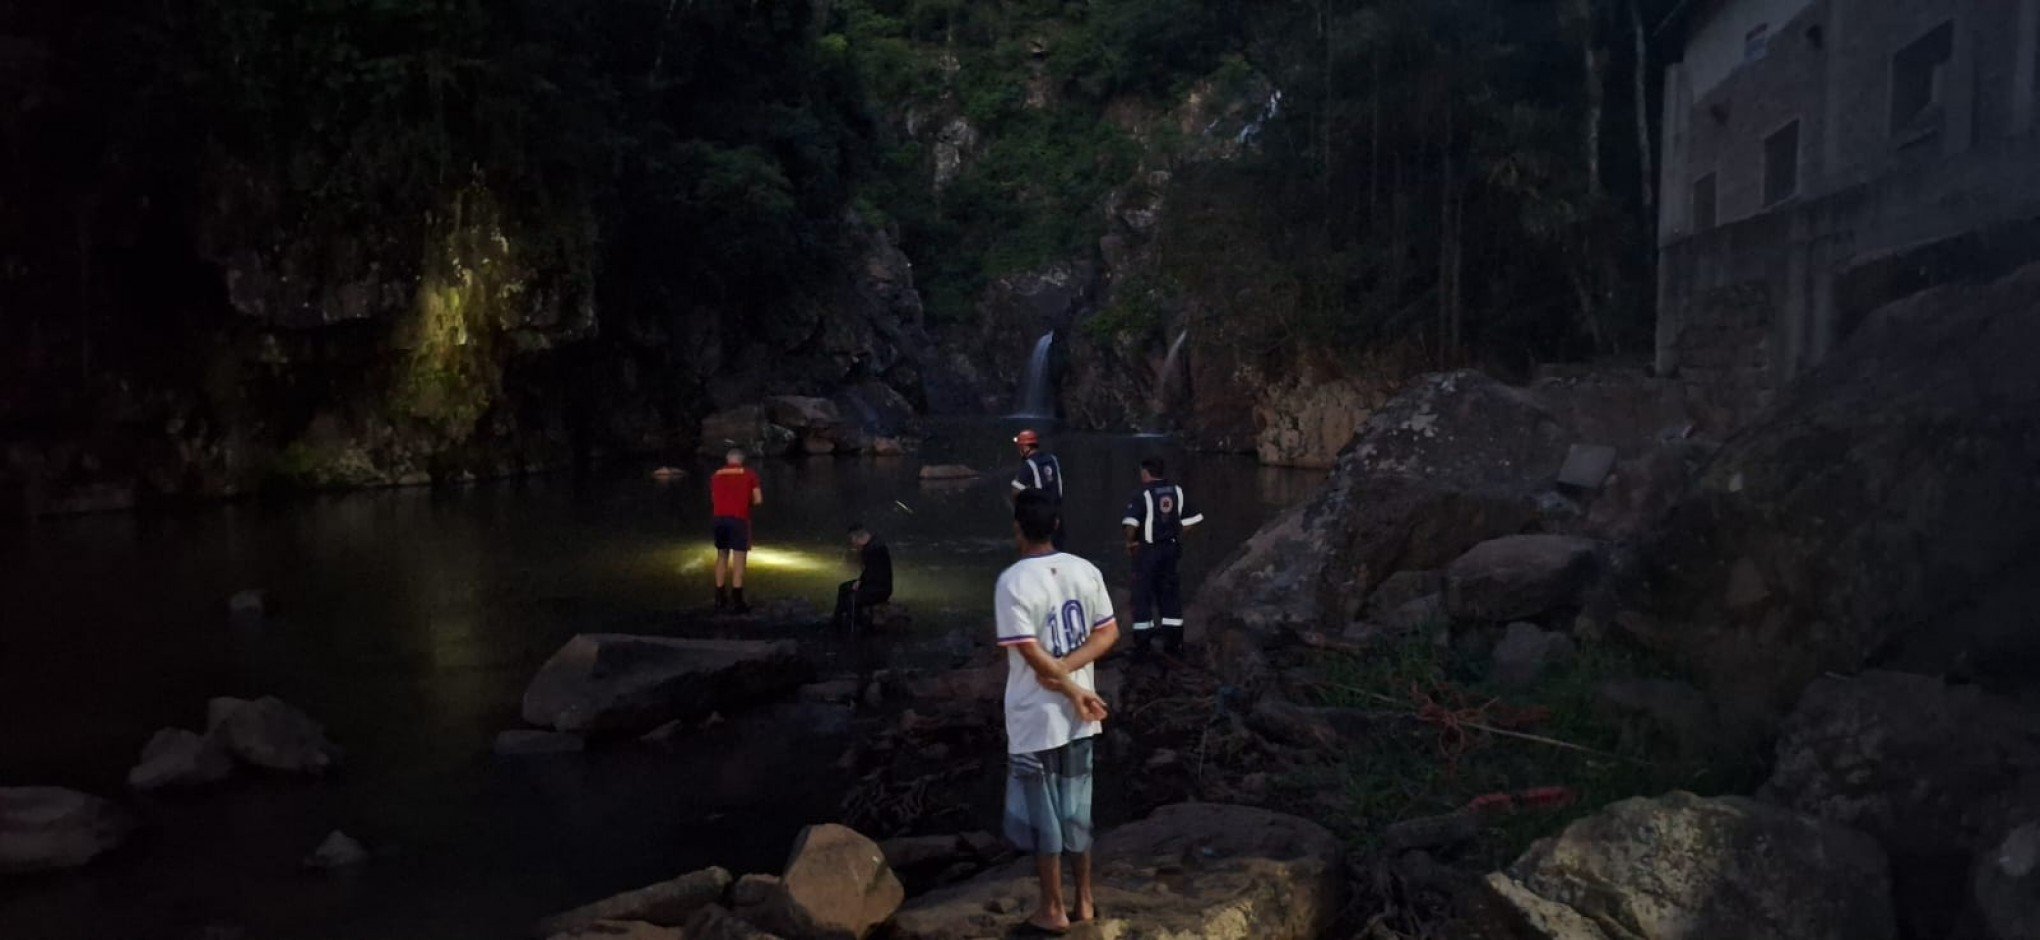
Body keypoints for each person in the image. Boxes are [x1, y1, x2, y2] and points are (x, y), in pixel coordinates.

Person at [994, 489, 1117, 934]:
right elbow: (1108, 633)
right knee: (1077, 811)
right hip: (1081, 715)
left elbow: (1028, 651)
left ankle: (1053, 909)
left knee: (1042, 818)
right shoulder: (1085, 570)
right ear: (1057, 526)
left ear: (1018, 528)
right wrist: (1075, 681)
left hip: (1035, 718)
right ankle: (1086, 900)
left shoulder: (1012, 581)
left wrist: (1060, 679)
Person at [1121, 457, 1202, 657]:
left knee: (1142, 594)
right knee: (1170, 593)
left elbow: (1131, 524)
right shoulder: (1177, 491)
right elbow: (1193, 520)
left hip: (1148, 551)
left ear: (1146, 472)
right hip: (1171, 550)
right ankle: (1173, 641)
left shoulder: (1141, 494)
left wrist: (1130, 543)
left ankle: (1143, 643)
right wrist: (1177, 535)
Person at [710, 448, 763, 613]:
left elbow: (713, 498)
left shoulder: (716, 475)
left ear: (728, 460)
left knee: (722, 555)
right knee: (739, 557)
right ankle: (737, 598)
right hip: (739, 519)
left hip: (719, 519)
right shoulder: (749, 474)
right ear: (742, 459)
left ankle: (719, 595)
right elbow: (758, 499)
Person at [1009, 428, 1066, 550]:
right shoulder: (1053, 459)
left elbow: (1015, 490)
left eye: (1019, 447)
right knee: (1058, 550)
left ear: (1025, 448)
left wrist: (1020, 510)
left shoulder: (1029, 465)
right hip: (1057, 515)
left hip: (1040, 518)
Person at [834, 523, 894, 631]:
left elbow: (875, 574)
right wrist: (860, 580)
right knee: (843, 587)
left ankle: (856, 628)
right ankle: (837, 622)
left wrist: (861, 582)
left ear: (857, 537)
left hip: (880, 588)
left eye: (852, 539)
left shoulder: (874, 549)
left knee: (852, 599)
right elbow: (869, 570)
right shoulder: (872, 546)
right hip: (872, 583)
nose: (852, 543)